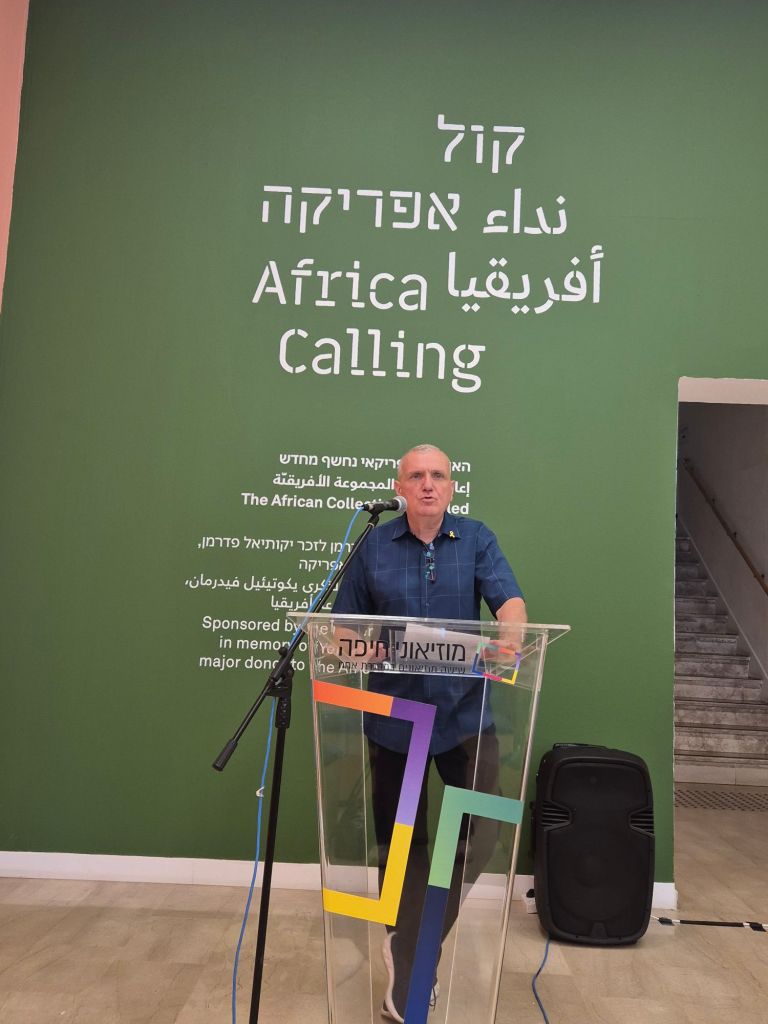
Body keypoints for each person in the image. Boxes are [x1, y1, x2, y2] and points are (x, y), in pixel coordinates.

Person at [332, 444, 526, 1023]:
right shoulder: (372, 546)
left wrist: (511, 636)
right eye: (416, 475)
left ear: (450, 486)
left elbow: (511, 606)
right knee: (404, 846)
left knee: (482, 833)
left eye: (437, 475)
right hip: (396, 721)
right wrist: (372, 649)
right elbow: (342, 633)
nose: (427, 484)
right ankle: (413, 965)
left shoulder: (476, 538)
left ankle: (411, 948)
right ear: (400, 487)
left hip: (466, 717)